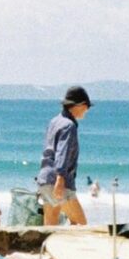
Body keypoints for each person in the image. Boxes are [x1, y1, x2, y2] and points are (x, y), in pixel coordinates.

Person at [36, 86, 93, 226]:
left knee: (50, 225)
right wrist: (60, 179)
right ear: (79, 106)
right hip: (58, 180)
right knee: (80, 224)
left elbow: (49, 150)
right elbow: (62, 152)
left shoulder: (55, 121)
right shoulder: (69, 126)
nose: (87, 110)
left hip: (45, 178)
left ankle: (48, 247)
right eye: (86, 106)